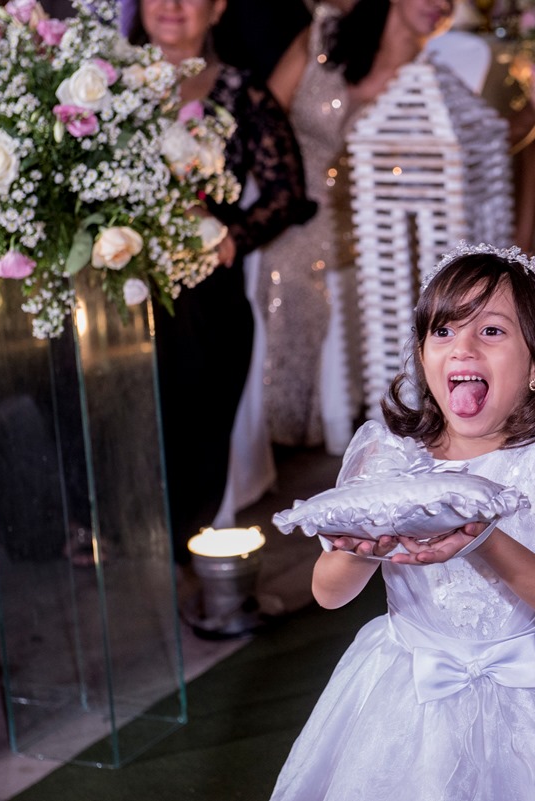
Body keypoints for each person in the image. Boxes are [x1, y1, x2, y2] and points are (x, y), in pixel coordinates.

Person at [266, 243, 535, 800]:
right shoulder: (390, 457)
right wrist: (362, 546)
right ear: (423, 358)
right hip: (407, 694)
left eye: (492, 331)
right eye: (443, 332)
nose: (463, 347)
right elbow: (328, 593)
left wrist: (483, 540)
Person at [260, 0, 535, 453]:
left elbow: (486, 139)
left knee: (320, 268)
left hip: (362, 235)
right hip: (281, 205)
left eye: (451, 1)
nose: (442, 5)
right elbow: (262, 116)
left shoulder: (431, 81)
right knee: (281, 260)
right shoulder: (322, 38)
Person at [129, 0, 316, 561]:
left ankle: (187, 555)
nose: (171, 7)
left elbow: (287, 191)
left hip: (202, 301)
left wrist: (231, 236)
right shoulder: (103, 88)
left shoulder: (240, 92)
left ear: (216, 10)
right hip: (117, 293)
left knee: (196, 434)